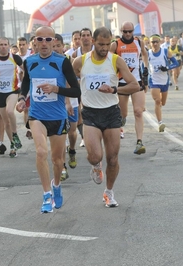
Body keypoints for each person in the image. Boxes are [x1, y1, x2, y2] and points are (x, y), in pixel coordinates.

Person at [72, 27, 140, 208]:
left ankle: (109, 192)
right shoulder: (80, 62)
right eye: (100, 44)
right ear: (93, 42)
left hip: (110, 112)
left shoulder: (116, 61)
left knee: (112, 158)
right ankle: (95, 166)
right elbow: (70, 84)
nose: (104, 48)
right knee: (95, 156)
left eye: (107, 44)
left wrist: (114, 89)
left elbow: (134, 85)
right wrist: (68, 104)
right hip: (90, 113)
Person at [16, 26, 80, 213]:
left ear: (54, 42)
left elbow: (76, 91)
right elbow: (26, 82)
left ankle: (56, 185)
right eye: (40, 39)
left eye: (48, 39)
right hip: (37, 115)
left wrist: (56, 89)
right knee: (41, 152)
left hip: (58, 117)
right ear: (34, 42)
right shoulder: (30, 62)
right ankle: (46, 195)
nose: (44, 43)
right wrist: (21, 99)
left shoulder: (63, 62)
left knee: (57, 160)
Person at [110, 21, 148, 155]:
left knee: (138, 111)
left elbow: (144, 54)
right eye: (124, 32)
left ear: (133, 31)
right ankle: (122, 119)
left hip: (137, 82)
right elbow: (108, 60)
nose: (127, 34)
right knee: (123, 114)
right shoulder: (115, 44)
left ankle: (139, 142)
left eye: (130, 31)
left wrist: (146, 70)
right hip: (122, 82)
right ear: (121, 31)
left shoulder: (139, 42)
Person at [53, 33, 79, 181]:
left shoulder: (69, 60)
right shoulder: (48, 61)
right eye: (54, 46)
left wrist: (69, 101)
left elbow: (71, 83)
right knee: (61, 135)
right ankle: (62, 166)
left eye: (58, 46)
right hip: (57, 103)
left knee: (72, 132)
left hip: (71, 101)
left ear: (63, 47)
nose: (56, 49)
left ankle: (73, 150)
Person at [147, 34, 179, 132]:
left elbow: (176, 63)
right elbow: (142, 64)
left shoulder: (165, 51)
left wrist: (167, 68)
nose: (155, 44)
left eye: (157, 42)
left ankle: (159, 109)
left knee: (162, 103)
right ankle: (160, 122)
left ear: (160, 42)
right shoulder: (148, 53)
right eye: (153, 42)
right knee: (157, 101)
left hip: (164, 81)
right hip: (153, 81)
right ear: (150, 43)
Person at [17, 36, 33, 139]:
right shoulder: (15, 57)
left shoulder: (30, 56)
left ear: (27, 45)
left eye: (24, 44)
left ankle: (32, 129)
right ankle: (28, 128)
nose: (22, 46)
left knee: (31, 108)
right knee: (25, 109)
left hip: (30, 85)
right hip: (19, 86)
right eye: (20, 45)